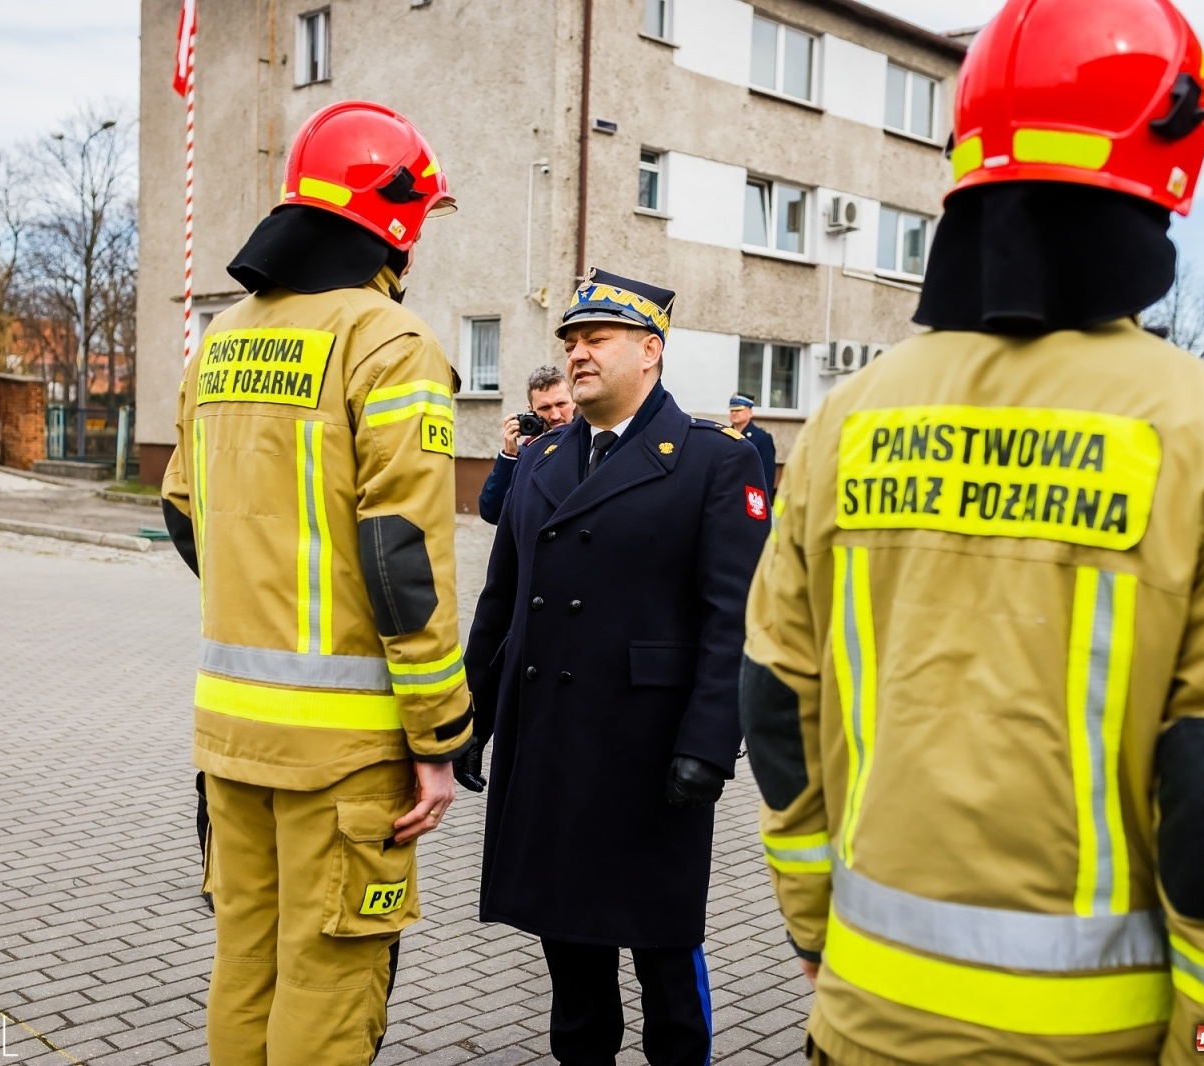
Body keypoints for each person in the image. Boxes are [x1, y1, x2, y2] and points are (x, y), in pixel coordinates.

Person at [739, 2, 1204, 1063]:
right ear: (1174, 149)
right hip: (1100, 1038)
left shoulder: (844, 417)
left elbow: (776, 700)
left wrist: (814, 926)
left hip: (863, 1009)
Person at [160, 100, 473, 1066]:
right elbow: (402, 559)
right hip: (344, 753)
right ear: (399, 218)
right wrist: (439, 738)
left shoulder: (219, 341)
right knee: (330, 981)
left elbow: (182, 509)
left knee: (245, 964)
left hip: (230, 735)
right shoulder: (387, 341)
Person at [459, 268, 770, 1066]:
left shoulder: (712, 460)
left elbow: (732, 617)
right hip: (552, 742)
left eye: (596, 339)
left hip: (649, 752)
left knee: (664, 955)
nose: (577, 356)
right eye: (570, 342)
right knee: (571, 958)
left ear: (650, 352)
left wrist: (708, 742)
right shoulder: (543, 458)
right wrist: (471, 716)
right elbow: (502, 599)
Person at [478, 364, 575, 524]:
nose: (555, 415)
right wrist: (509, 455)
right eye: (545, 408)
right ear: (531, 411)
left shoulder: (592, 443)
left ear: (574, 402)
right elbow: (491, 512)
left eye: (561, 404)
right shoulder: (524, 453)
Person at [728, 394, 776, 498]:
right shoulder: (725, 435)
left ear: (750, 413)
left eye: (738, 410)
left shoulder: (762, 438)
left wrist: (764, 501)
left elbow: (767, 474)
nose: (734, 413)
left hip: (750, 496)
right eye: (732, 410)